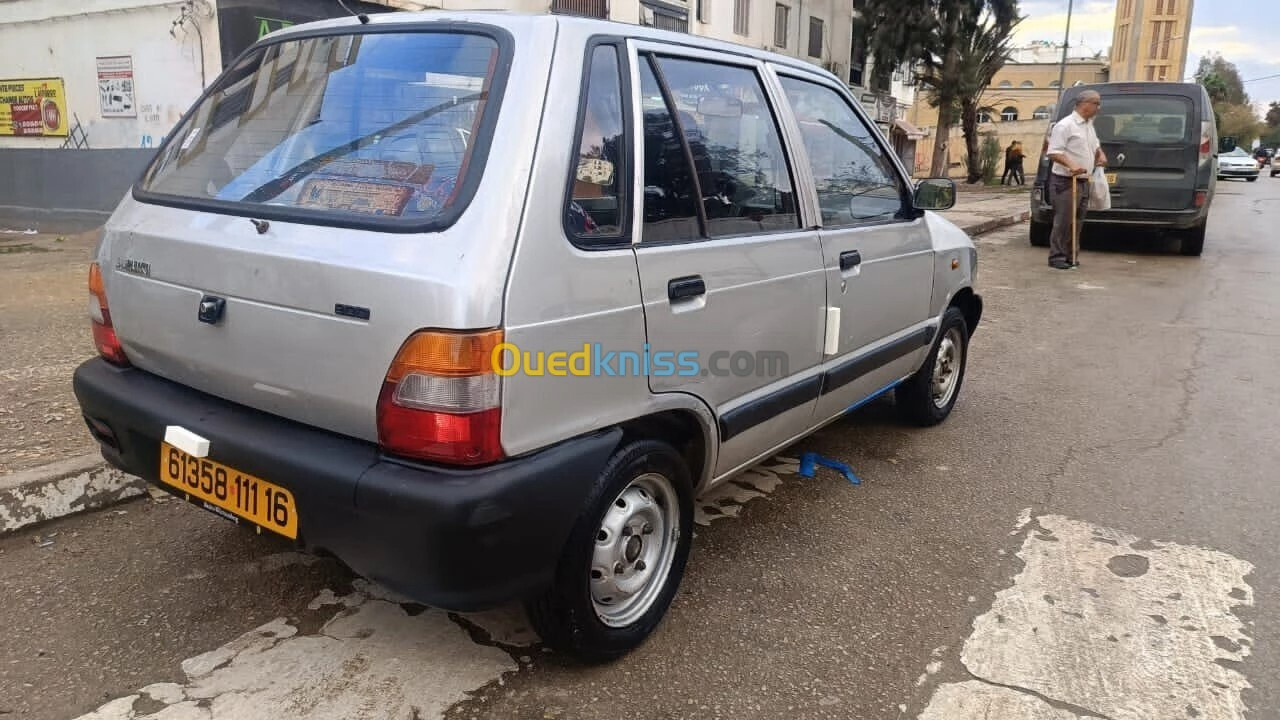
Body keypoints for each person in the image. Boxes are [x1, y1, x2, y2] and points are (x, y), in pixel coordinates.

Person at [1045, 91, 1106, 270]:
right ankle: (1056, 256)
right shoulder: (1065, 126)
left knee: (1078, 221)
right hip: (1065, 181)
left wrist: (1100, 154)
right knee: (1064, 221)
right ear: (1085, 104)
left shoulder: (1088, 125)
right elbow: (1054, 151)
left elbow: (1095, 144)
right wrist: (1071, 165)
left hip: (1083, 180)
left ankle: (1071, 256)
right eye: (1096, 103)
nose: (1099, 108)